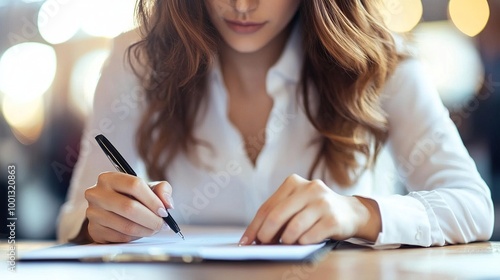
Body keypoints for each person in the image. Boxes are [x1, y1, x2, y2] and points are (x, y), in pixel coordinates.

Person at [58, 0, 494, 248]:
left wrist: (356, 211)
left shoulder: (380, 61)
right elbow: (75, 216)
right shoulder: (136, 59)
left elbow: (474, 205)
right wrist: (98, 223)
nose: (242, 5)